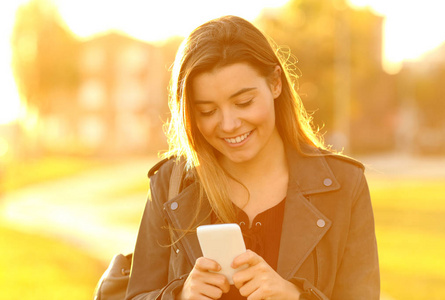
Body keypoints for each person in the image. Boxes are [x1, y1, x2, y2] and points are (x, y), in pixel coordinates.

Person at [125, 15, 379, 300]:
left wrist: (295, 296)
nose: (229, 124)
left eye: (243, 102)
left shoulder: (345, 185)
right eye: (207, 111)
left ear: (275, 84)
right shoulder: (169, 184)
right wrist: (179, 296)